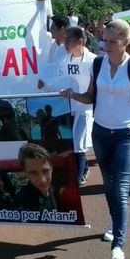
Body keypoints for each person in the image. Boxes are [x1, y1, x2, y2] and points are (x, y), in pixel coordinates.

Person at [61, 19, 130, 259]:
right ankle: (115, 222)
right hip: (101, 133)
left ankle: (118, 246)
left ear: (125, 43)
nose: (106, 45)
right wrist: (72, 95)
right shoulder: (98, 64)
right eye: (104, 40)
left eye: (112, 41)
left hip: (127, 135)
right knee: (109, 186)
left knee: (120, 188)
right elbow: (90, 96)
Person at [39, 26, 96, 185]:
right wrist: (44, 84)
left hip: (84, 109)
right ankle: (79, 171)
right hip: (66, 108)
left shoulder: (94, 61)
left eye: (69, 40)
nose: (65, 43)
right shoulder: (63, 58)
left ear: (80, 41)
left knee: (79, 144)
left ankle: (78, 178)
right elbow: (55, 80)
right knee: (68, 144)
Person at [14, 143, 58, 212]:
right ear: (25, 172)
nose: (42, 180)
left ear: (52, 168)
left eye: (45, 171)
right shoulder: (22, 203)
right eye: (33, 173)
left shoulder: (60, 194)